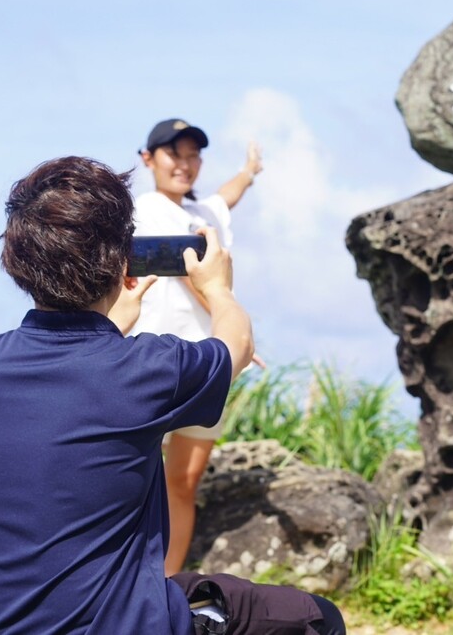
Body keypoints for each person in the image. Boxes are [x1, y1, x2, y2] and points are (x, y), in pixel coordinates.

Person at [0, 156, 344, 635]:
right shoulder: (146, 370)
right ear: (122, 259)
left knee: (192, 587)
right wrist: (219, 289)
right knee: (315, 618)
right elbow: (237, 346)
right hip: (128, 625)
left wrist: (107, 324)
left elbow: (80, 375)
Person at [131, 118, 264, 575]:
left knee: (183, 483)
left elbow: (224, 199)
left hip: (207, 361)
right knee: (139, 480)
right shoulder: (146, 207)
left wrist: (249, 171)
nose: (184, 165)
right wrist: (236, 325)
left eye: (193, 156)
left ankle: (167, 585)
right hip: (156, 358)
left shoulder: (201, 212)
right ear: (148, 159)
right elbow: (193, 276)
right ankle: (133, 584)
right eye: (174, 154)